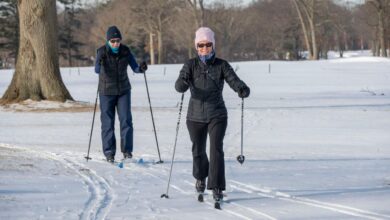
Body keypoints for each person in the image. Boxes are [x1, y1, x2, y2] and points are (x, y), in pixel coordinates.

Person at [175, 27, 250, 201]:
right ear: (196, 46)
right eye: (201, 45)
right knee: (198, 149)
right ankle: (201, 177)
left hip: (217, 114)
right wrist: (183, 83)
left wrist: (242, 88)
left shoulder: (221, 65)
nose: (204, 48)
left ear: (213, 45)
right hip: (194, 116)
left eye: (208, 44)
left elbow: (233, 80)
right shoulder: (190, 65)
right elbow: (179, 86)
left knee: (216, 149)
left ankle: (216, 186)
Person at [95, 26, 147, 163]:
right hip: (106, 92)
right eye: (112, 41)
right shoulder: (102, 52)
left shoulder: (125, 51)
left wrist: (141, 69)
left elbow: (135, 67)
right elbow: (96, 70)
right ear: (108, 41)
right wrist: (99, 62)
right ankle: (109, 152)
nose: (116, 43)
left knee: (126, 121)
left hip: (123, 91)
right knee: (107, 123)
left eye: (118, 40)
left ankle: (127, 151)